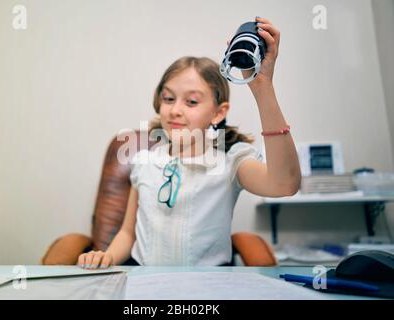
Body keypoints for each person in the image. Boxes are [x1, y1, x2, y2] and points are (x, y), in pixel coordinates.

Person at [78, 17, 301, 268]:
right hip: (145, 284)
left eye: (192, 102)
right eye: (169, 98)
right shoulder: (144, 162)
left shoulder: (231, 161)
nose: (175, 110)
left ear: (218, 112)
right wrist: (105, 257)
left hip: (207, 288)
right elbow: (128, 233)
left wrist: (263, 88)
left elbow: (285, 184)